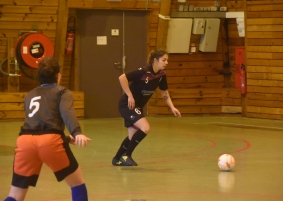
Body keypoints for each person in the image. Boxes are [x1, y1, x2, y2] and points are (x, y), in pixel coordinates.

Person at [4, 56, 91, 201]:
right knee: (77, 185)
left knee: (15, 195)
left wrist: (67, 139)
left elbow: (37, 126)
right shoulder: (62, 92)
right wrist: (76, 133)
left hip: (25, 142)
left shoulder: (30, 95)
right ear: (58, 75)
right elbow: (66, 113)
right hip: (50, 142)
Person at [112, 49, 181, 166]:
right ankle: (126, 156)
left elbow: (164, 93)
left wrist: (172, 107)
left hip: (137, 106)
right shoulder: (143, 71)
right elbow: (122, 78)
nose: (166, 63)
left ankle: (117, 158)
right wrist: (129, 95)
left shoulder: (161, 75)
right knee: (145, 127)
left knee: (132, 135)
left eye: (167, 60)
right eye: (164, 60)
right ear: (155, 60)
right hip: (127, 105)